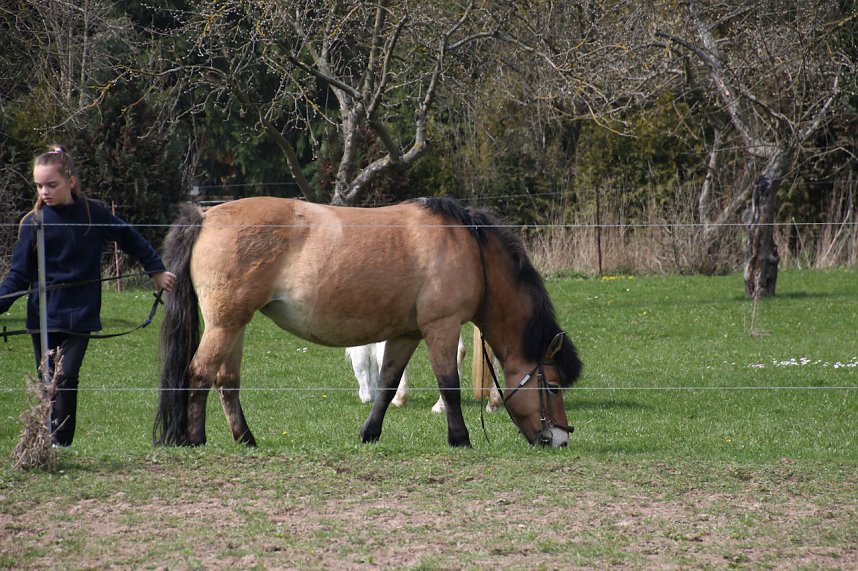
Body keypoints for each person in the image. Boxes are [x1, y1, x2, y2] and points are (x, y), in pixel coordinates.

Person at [0, 147, 176, 447]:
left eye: (51, 185)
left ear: (70, 181)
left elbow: (129, 237)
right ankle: (46, 441)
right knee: (47, 380)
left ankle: (61, 443)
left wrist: (155, 270)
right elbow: (18, 274)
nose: (44, 192)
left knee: (66, 375)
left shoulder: (93, 213)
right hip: (43, 315)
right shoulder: (33, 222)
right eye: (39, 186)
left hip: (81, 313)